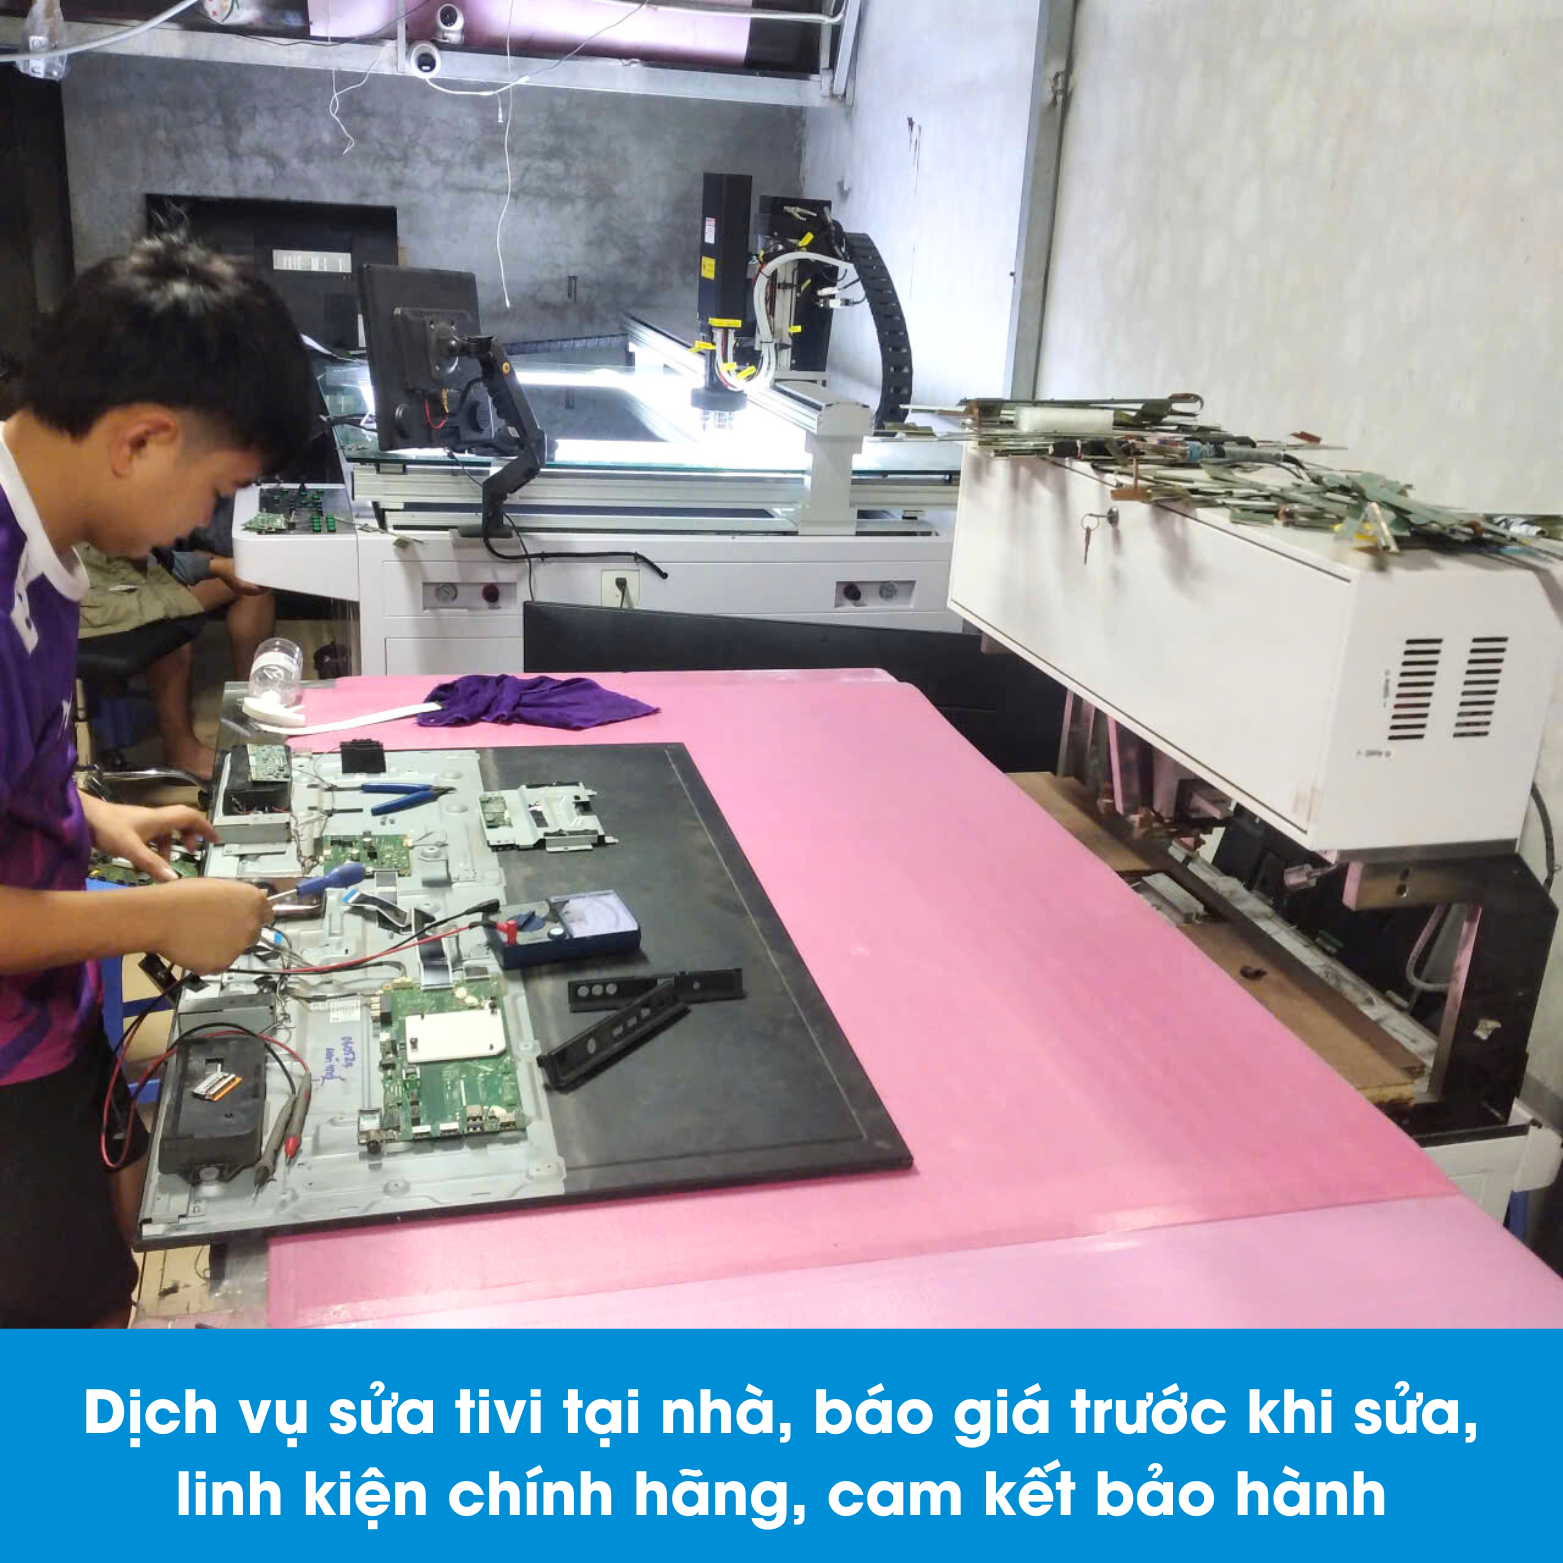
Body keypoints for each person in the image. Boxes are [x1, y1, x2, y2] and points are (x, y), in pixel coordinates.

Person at [0, 235, 316, 1328]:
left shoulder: (42, 538)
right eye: (215, 492)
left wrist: (88, 817)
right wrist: (159, 917)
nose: (200, 527)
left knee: (115, 1233)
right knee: (66, 1322)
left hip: (46, 1007)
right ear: (143, 439)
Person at [79, 502, 276, 779]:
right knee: (168, 614)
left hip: (113, 577)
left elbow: (150, 562)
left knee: (252, 580)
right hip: (80, 605)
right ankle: (182, 751)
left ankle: (254, 716)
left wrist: (217, 566)